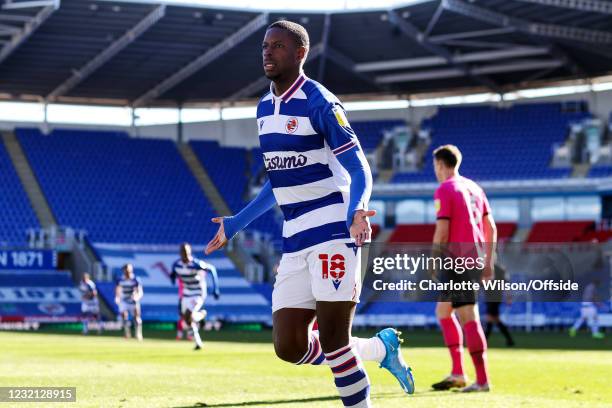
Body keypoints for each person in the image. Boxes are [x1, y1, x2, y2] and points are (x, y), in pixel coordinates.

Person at [206, 20, 414, 406]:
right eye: (265, 45)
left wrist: (357, 211)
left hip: (335, 231)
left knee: (335, 343)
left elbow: (360, 168)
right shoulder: (265, 107)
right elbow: (279, 181)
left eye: (278, 46)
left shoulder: (320, 102)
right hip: (295, 238)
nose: (268, 52)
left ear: (300, 53)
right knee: (288, 346)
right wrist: (236, 224)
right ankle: (378, 350)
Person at [430, 145, 495, 393]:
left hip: (458, 260)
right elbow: (491, 227)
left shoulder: (445, 189)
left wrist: (435, 258)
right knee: (444, 313)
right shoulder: (475, 188)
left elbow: (443, 230)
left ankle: (482, 380)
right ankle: (458, 373)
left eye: (435, 166)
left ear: (440, 164)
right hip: (474, 257)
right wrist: (488, 262)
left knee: (468, 316)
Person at [171, 242, 220, 350]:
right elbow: (173, 273)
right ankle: (198, 342)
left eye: (186, 251)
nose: (185, 253)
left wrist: (216, 288)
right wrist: (172, 278)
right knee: (187, 320)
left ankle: (202, 314)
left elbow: (212, 269)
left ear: (190, 252)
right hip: (186, 293)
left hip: (198, 293)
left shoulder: (196, 264)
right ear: (180, 252)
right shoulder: (177, 264)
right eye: (183, 251)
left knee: (189, 314)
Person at [484, 263, 515, 346]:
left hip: (493, 298)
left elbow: (506, 284)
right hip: (493, 298)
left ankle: (484, 341)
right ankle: (509, 340)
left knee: (490, 319)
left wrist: (509, 296)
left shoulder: (497, 269)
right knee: (495, 320)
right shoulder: (498, 269)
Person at [114, 264, 143, 341]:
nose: (127, 271)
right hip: (124, 300)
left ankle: (138, 333)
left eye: (129, 270)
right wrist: (117, 297)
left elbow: (140, 291)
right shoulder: (120, 280)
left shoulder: (135, 279)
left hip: (133, 301)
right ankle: (127, 333)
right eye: (126, 270)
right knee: (124, 315)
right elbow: (117, 289)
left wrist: (137, 297)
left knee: (136, 317)